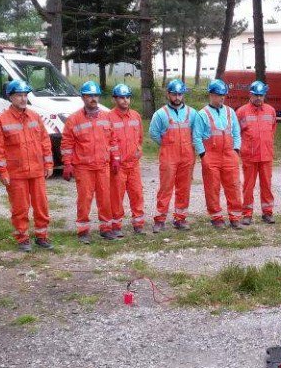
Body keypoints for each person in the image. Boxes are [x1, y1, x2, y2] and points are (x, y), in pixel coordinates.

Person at [0, 80, 54, 252]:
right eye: (19, 95)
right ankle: (23, 238)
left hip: (37, 170)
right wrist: (2, 171)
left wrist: (48, 163)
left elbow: (45, 141)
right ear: (10, 97)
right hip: (16, 173)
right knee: (20, 208)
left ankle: (42, 236)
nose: (23, 98)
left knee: (41, 205)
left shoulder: (35, 116)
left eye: (25, 95)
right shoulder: (0, 121)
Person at [61, 81, 117, 244]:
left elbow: (112, 140)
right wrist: (67, 164)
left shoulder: (106, 117)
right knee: (84, 199)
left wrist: (115, 159)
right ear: (83, 97)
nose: (93, 99)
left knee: (105, 198)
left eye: (95, 95)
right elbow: (67, 144)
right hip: (83, 167)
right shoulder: (73, 120)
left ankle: (106, 228)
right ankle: (83, 231)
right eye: (89, 96)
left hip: (102, 166)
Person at [193, 79, 243, 229]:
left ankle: (235, 217)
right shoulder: (202, 114)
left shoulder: (230, 112)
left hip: (229, 155)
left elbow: (236, 133)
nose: (222, 98)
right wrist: (203, 156)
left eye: (224, 95)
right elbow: (196, 136)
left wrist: (236, 151)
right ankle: (216, 217)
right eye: (218, 95)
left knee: (233, 186)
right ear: (211, 95)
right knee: (212, 187)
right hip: (211, 156)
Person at [149, 79, 197, 233]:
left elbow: (196, 133)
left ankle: (180, 218)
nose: (177, 97)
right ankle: (160, 220)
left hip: (187, 156)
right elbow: (154, 133)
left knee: (184, 188)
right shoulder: (160, 114)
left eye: (179, 94)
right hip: (169, 156)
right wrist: (167, 145)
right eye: (174, 94)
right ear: (168, 94)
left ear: (183, 95)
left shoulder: (192, 113)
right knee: (165, 188)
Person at [236, 80, 277, 225]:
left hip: (266, 155)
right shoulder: (241, 112)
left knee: (266, 185)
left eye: (261, 95)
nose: (259, 98)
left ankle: (267, 213)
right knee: (248, 186)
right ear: (250, 95)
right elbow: (237, 133)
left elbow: (272, 129)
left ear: (264, 95)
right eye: (256, 95)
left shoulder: (271, 111)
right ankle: (247, 214)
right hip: (249, 156)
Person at [108, 84, 146, 237]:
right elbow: (107, 141)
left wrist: (138, 150)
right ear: (115, 99)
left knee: (137, 194)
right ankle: (116, 225)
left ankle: (139, 224)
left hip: (134, 165)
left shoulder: (136, 116)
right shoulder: (108, 118)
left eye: (127, 97)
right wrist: (114, 159)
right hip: (118, 166)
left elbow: (140, 138)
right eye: (121, 97)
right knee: (116, 196)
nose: (125, 100)